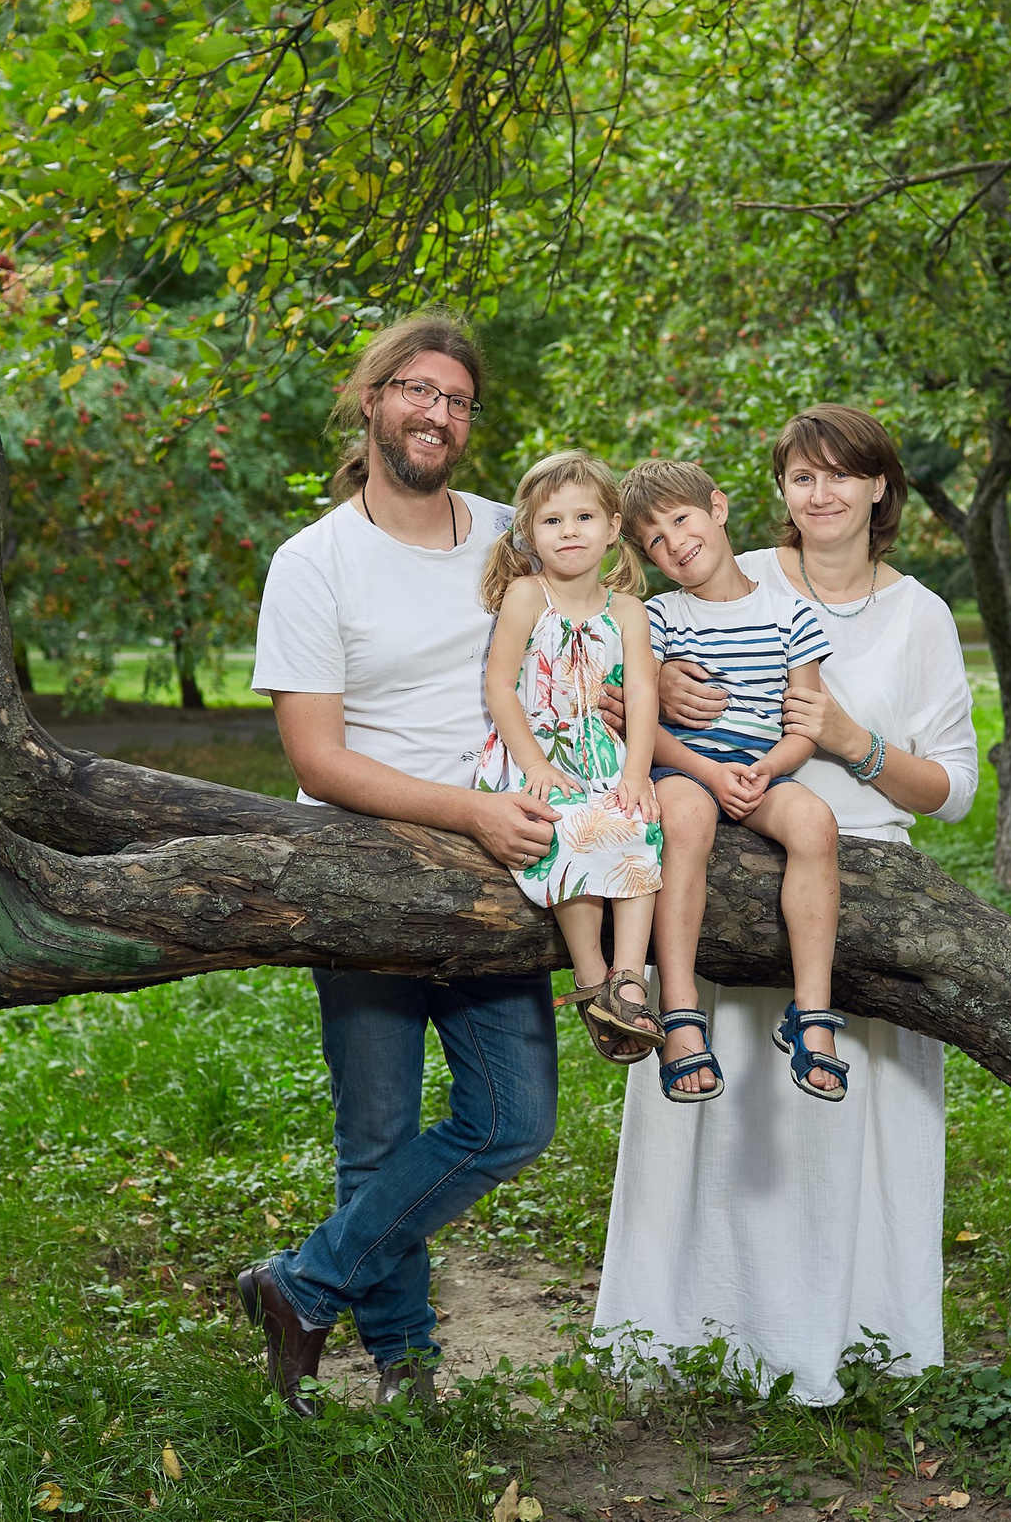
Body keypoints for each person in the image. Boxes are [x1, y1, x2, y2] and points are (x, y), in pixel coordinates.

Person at [595, 405, 979, 1405]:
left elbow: (954, 791)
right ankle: (695, 1337)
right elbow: (619, 687)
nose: (822, 493)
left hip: (863, 875)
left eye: (842, 474)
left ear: (880, 487)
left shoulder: (922, 614)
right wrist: (660, 693)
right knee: (721, 1137)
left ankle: (854, 1344)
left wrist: (856, 743)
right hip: (723, 860)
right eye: (802, 476)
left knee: (834, 1141)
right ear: (771, 494)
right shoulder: (722, 578)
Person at [235, 310, 564, 1416]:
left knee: (512, 1120)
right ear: (372, 400)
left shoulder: (509, 537)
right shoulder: (313, 562)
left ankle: (300, 1283)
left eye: (457, 400)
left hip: (497, 877)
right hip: (363, 874)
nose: (438, 413)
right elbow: (317, 758)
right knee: (375, 1130)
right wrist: (468, 812)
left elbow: (579, 643)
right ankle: (406, 1363)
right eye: (418, 390)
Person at [621, 458, 847, 1104]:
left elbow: (804, 724)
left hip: (759, 771)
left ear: (717, 509)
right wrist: (706, 772)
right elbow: (641, 718)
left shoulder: (792, 616)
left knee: (815, 822)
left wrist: (769, 768)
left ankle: (811, 1012)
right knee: (687, 817)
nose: (674, 542)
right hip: (684, 767)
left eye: (681, 519)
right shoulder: (659, 616)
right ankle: (681, 1009)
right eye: (655, 538)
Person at [473, 451, 666, 1064]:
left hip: (604, 754)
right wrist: (534, 765)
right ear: (530, 534)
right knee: (568, 823)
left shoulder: (628, 609)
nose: (570, 531)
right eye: (552, 521)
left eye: (584, 517)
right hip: (534, 751)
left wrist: (636, 772)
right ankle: (591, 977)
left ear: (613, 528)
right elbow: (501, 686)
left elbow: (642, 692)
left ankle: (629, 981)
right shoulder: (527, 596)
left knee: (638, 822)